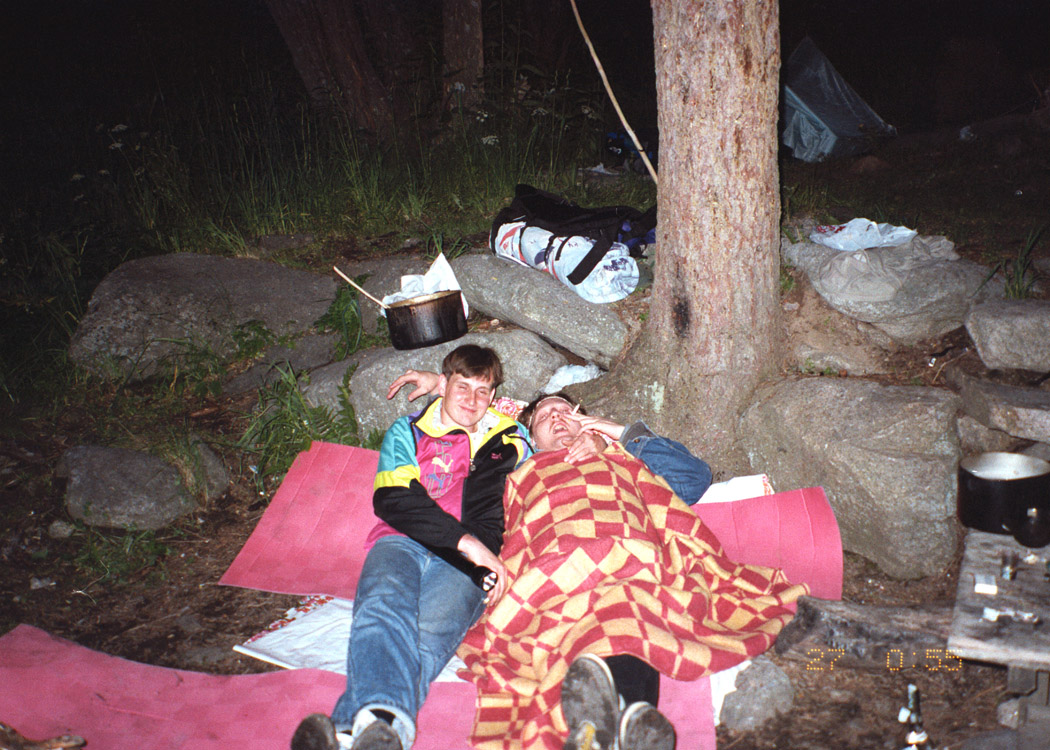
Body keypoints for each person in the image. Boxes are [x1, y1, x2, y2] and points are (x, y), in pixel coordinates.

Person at [383, 377, 713, 750]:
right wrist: (445, 384)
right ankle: (617, 725)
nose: (556, 417)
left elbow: (694, 478)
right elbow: (475, 417)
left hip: (625, 556)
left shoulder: (622, 456)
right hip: (553, 570)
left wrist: (608, 434)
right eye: (544, 415)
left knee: (626, 606)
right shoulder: (515, 470)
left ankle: (605, 729)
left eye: (566, 411)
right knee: (596, 621)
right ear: (531, 438)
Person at [291, 345, 531, 750]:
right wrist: (468, 542)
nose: (472, 400)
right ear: (445, 384)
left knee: (429, 633)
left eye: (483, 391)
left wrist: (594, 440)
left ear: (493, 396)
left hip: (468, 566)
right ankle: (381, 728)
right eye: (461, 387)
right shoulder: (408, 430)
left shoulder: (512, 439)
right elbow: (393, 498)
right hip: (403, 541)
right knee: (381, 608)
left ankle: (354, 729)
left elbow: (544, 433)